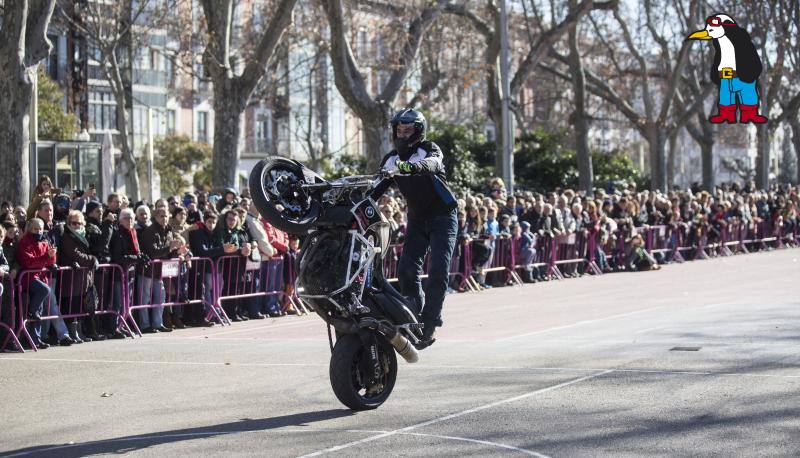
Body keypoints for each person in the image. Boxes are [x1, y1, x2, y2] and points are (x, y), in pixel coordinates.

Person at [373, 108, 458, 348]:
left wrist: (411, 167)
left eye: (407, 130)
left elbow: (432, 163)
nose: (401, 134)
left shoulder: (429, 149)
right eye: (398, 130)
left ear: (418, 131)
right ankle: (414, 315)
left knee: (439, 270)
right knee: (407, 269)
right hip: (417, 219)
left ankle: (430, 324)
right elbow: (374, 190)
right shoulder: (391, 158)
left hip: (443, 217)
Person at [16, 218, 74, 348]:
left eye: (40, 229)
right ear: (29, 229)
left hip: (41, 277)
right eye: (35, 229)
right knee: (44, 293)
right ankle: (32, 314)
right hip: (28, 278)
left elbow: (49, 260)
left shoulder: (44, 241)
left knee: (39, 310)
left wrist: (52, 258)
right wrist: (47, 257)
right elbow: (29, 262)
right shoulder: (24, 242)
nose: (38, 231)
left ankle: (36, 339)